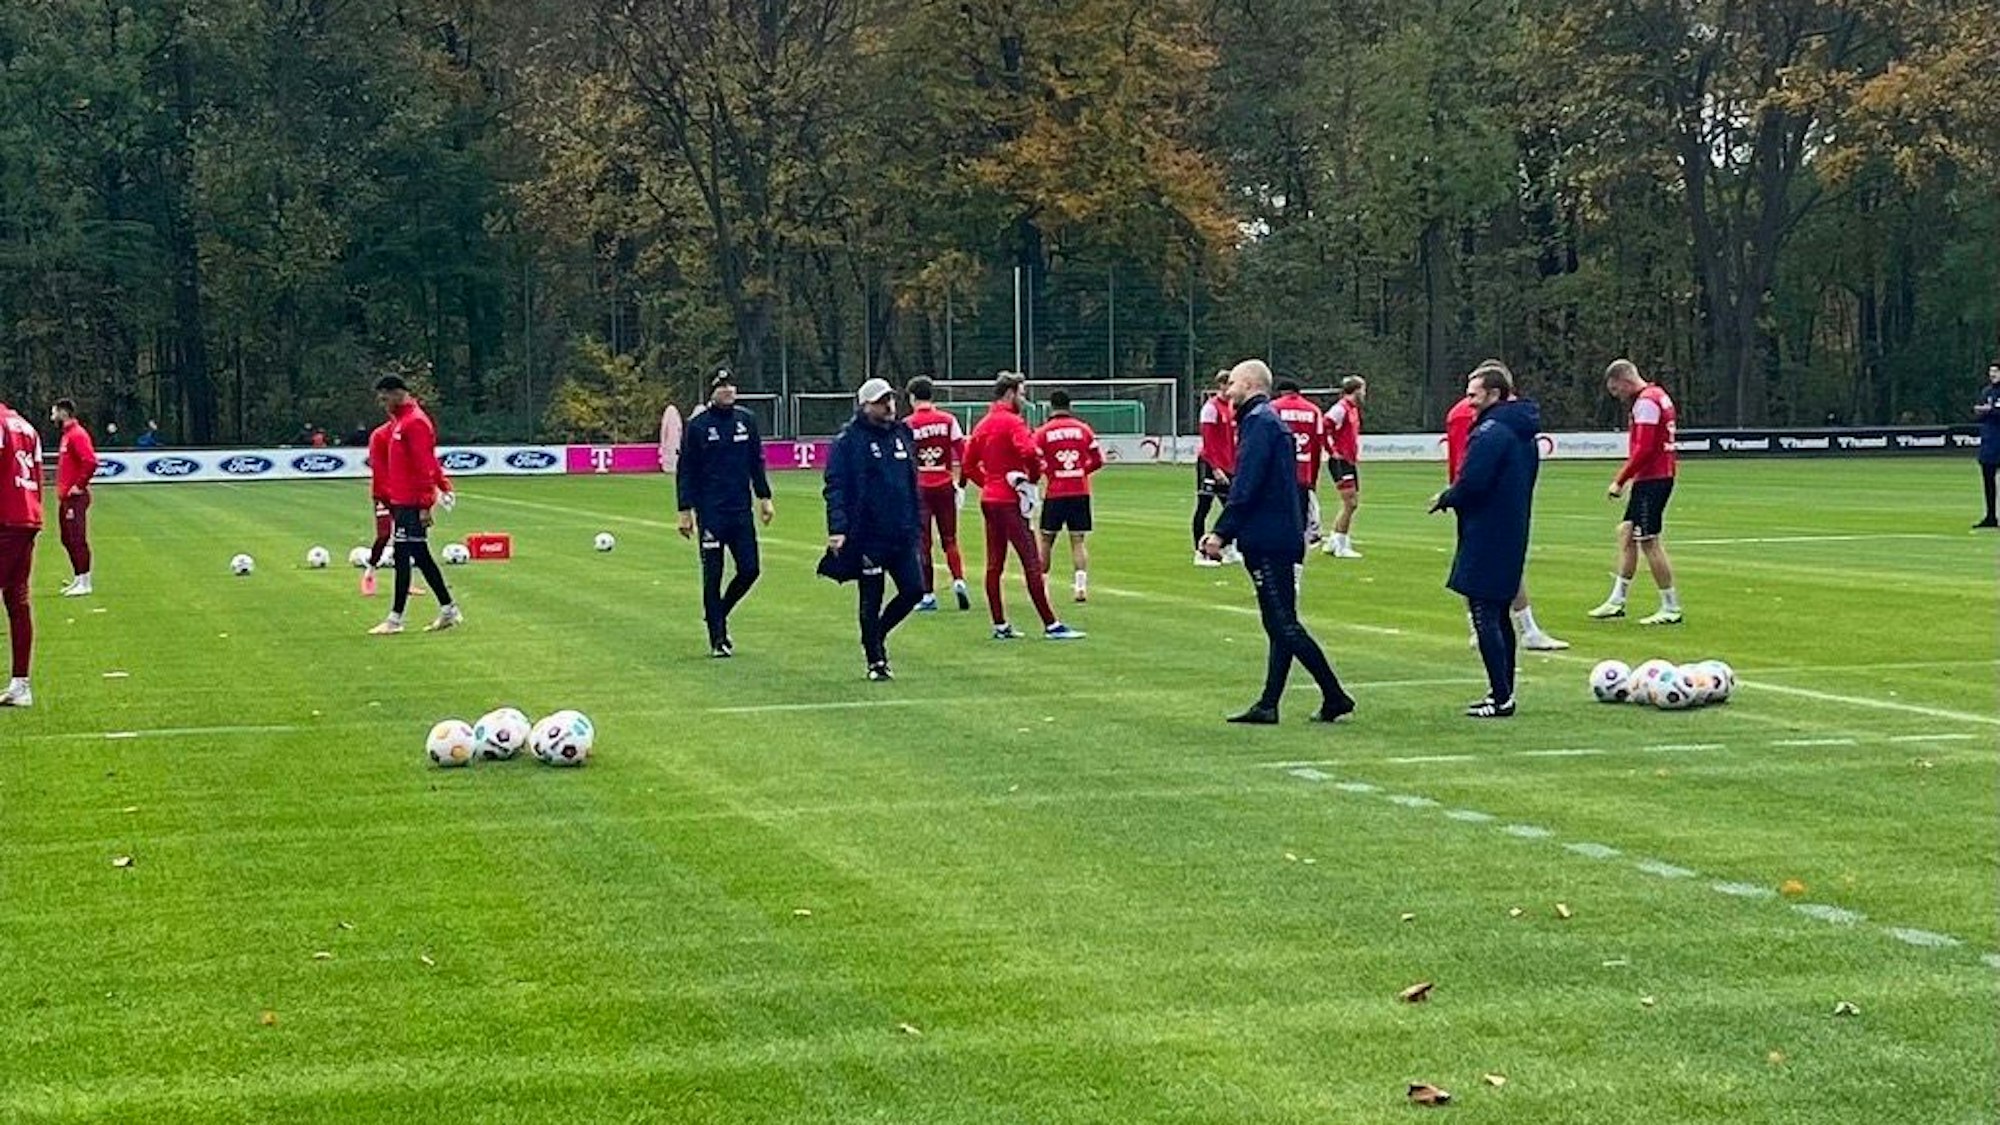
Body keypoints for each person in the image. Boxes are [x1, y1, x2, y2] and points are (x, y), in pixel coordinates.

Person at [1199, 360, 1354, 725]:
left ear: (1251, 384)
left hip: (1268, 538)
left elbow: (1247, 486)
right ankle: (1269, 704)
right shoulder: (1266, 423)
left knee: (1284, 623)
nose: (1227, 390)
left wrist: (1221, 532)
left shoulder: (1259, 425)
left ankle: (1334, 695)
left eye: (1233, 383)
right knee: (1278, 622)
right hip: (1279, 534)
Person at [1430, 364, 1543, 718]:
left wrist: (1447, 497)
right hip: (1510, 526)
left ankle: (1501, 696)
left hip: (1488, 530)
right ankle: (1504, 692)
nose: (1468, 402)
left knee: (1483, 612)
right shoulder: (1520, 430)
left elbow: (1474, 481)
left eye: (1473, 395)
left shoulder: (1492, 431)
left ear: (1494, 394)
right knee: (1497, 611)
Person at [1444, 372, 1568, 652]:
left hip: (1486, 500)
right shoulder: (1476, 418)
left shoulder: (1503, 423)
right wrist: (1459, 493)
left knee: (1489, 570)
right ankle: (1510, 630)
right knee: (1483, 573)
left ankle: (1519, 632)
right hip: (1483, 501)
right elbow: (1466, 460)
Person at [961, 372, 1084, 641]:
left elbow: (968, 464)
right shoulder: (1012, 422)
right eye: (1021, 392)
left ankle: (1000, 624)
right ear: (1010, 393)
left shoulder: (982, 425)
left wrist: (988, 483)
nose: (1024, 398)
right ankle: (1051, 624)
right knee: (1030, 560)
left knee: (994, 564)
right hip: (1009, 501)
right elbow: (1029, 453)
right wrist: (1030, 479)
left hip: (990, 499)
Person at [824, 379, 925, 681]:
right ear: (865, 405)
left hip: (902, 530)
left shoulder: (902, 434)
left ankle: (876, 634)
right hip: (868, 535)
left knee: (914, 590)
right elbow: (836, 486)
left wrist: (917, 519)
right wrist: (838, 528)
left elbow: (910, 480)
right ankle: (875, 660)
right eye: (882, 401)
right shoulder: (849, 441)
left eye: (891, 400)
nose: (889, 406)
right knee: (871, 596)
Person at [676, 370, 774, 657]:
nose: (728, 390)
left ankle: (717, 613)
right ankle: (717, 638)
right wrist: (685, 510)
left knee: (750, 569)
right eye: (721, 386)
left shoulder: (746, 420)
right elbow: (686, 472)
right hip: (711, 512)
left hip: (740, 509)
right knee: (713, 574)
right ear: (711, 391)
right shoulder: (697, 426)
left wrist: (765, 497)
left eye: (731, 385)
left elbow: (756, 461)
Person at [1590, 359, 1683, 625]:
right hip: (1656, 476)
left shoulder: (1645, 402)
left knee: (1648, 541)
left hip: (1653, 479)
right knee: (1627, 533)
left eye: (1616, 390)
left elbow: (1643, 448)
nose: (1618, 397)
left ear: (1624, 380)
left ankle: (1670, 606)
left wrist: (1620, 480)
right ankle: (1616, 600)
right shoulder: (1659, 395)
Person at [366, 375, 462, 635]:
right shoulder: (401, 423)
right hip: (402, 502)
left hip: (411, 504)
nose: (383, 403)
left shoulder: (415, 423)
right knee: (419, 555)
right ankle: (448, 608)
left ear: (398, 393)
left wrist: (425, 504)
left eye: (385, 398)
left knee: (404, 556)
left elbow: (424, 464)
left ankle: (395, 619)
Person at [904, 377, 971, 611]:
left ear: (912, 397)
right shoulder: (948, 420)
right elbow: (964, 456)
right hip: (944, 482)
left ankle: (928, 594)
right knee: (950, 539)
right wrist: (960, 484)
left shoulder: (908, 425)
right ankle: (959, 580)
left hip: (920, 486)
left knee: (923, 543)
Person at [1034, 390, 1104, 603]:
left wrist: (1050, 472)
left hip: (1056, 491)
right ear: (1069, 406)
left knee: (1046, 539)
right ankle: (1080, 586)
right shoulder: (1083, 429)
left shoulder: (1043, 432)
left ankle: (1042, 588)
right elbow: (1098, 460)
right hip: (1079, 490)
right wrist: (1082, 471)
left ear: (1050, 407)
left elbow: (1035, 460)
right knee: (1078, 540)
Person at [0, 399, 41, 707]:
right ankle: (20, 684)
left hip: (5, 517)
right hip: (26, 516)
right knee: (18, 600)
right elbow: (37, 477)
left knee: (18, 601)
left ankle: (21, 685)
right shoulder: (26, 426)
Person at [50, 399, 99, 597]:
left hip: (75, 498)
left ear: (64, 412)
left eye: (54, 412)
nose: (52, 417)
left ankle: (85, 582)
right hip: (65, 498)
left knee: (77, 538)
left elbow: (90, 461)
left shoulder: (77, 435)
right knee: (67, 538)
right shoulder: (67, 436)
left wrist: (78, 486)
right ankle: (78, 577)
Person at [1270, 379, 1326, 549]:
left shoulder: (1273, 408)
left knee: (1276, 517)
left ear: (1281, 392)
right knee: (1299, 521)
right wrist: (1313, 479)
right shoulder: (1313, 410)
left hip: (1278, 473)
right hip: (1302, 473)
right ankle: (1296, 560)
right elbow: (1317, 447)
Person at [1192, 370, 1237, 568]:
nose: (1231, 388)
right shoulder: (1211, 408)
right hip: (1210, 464)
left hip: (1229, 464)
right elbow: (1208, 440)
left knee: (1231, 507)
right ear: (1221, 385)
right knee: (1204, 506)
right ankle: (1199, 552)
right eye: (1228, 384)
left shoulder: (1233, 408)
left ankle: (1226, 547)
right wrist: (1215, 467)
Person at [1319, 376, 1365, 558]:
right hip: (1341, 461)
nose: (1364, 393)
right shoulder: (1341, 408)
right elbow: (1325, 425)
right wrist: (1332, 450)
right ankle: (1341, 545)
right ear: (1355, 390)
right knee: (1350, 503)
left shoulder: (1352, 409)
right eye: (1363, 389)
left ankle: (1334, 541)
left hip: (1348, 461)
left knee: (1351, 503)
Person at [361, 416, 395, 595]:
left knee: (405, 538)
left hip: (402, 493)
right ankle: (369, 573)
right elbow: (377, 467)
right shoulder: (380, 435)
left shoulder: (408, 433)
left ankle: (404, 581)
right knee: (384, 535)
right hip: (383, 493)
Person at [1973, 361, 2000, 529]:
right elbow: (1979, 414)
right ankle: (1991, 516)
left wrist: (1989, 410)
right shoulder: (1987, 391)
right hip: (1989, 442)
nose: (1992, 375)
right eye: (1991, 372)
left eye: (1996, 372)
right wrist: (1984, 411)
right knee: (1988, 480)